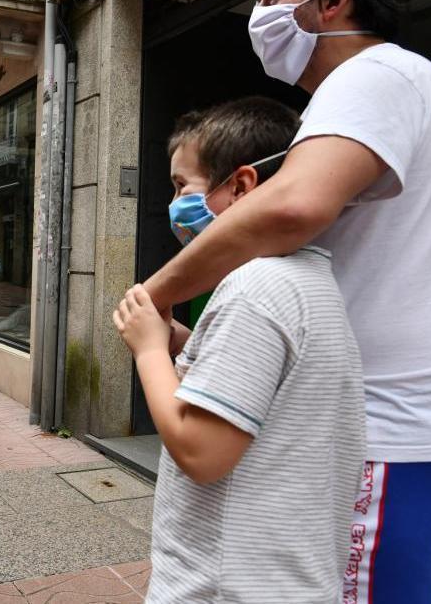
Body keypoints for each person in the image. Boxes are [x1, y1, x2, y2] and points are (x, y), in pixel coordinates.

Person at [134, 0, 431, 601]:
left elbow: (292, 207)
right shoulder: (385, 85)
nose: (260, 18)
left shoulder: (373, 74)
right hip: (402, 428)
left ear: (335, 0)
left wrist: (152, 296)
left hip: (392, 433)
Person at [115, 97, 364, 601]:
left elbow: (200, 451)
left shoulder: (254, 289)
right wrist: (180, 341)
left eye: (182, 185)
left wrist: (147, 351)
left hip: (224, 587)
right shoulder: (310, 280)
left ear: (243, 186)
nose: (174, 202)